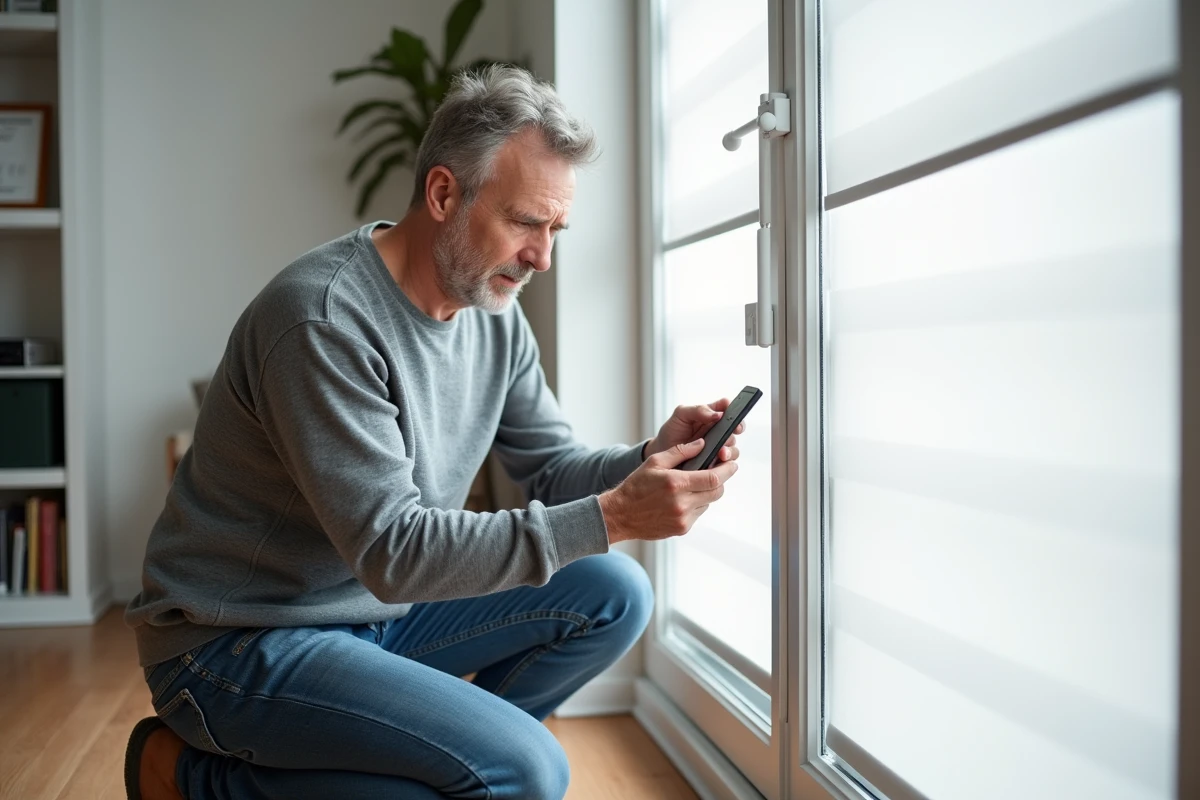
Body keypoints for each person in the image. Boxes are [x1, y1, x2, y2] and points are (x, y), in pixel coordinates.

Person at [122, 65, 743, 800]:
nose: (543, 257)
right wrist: (614, 516)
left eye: (555, 230)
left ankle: (453, 770)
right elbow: (394, 551)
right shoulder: (323, 320)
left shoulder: (493, 315)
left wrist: (647, 461)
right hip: (239, 641)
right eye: (526, 222)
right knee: (528, 770)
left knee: (615, 592)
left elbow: (549, 467)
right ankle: (187, 779)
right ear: (444, 194)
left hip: (378, 615)